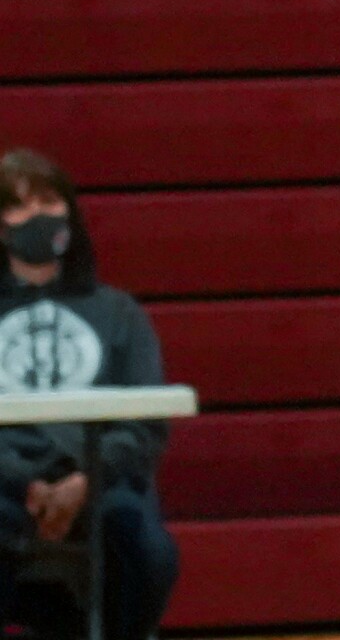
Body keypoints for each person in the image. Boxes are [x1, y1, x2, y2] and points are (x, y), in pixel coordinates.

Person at [0, 150, 179, 640]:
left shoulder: (119, 313)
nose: (37, 217)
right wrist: (26, 484)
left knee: (146, 550)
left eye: (48, 201)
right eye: (17, 207)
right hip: (7, 480)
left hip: (102, 480)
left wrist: (83, 482)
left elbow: (144, 427)